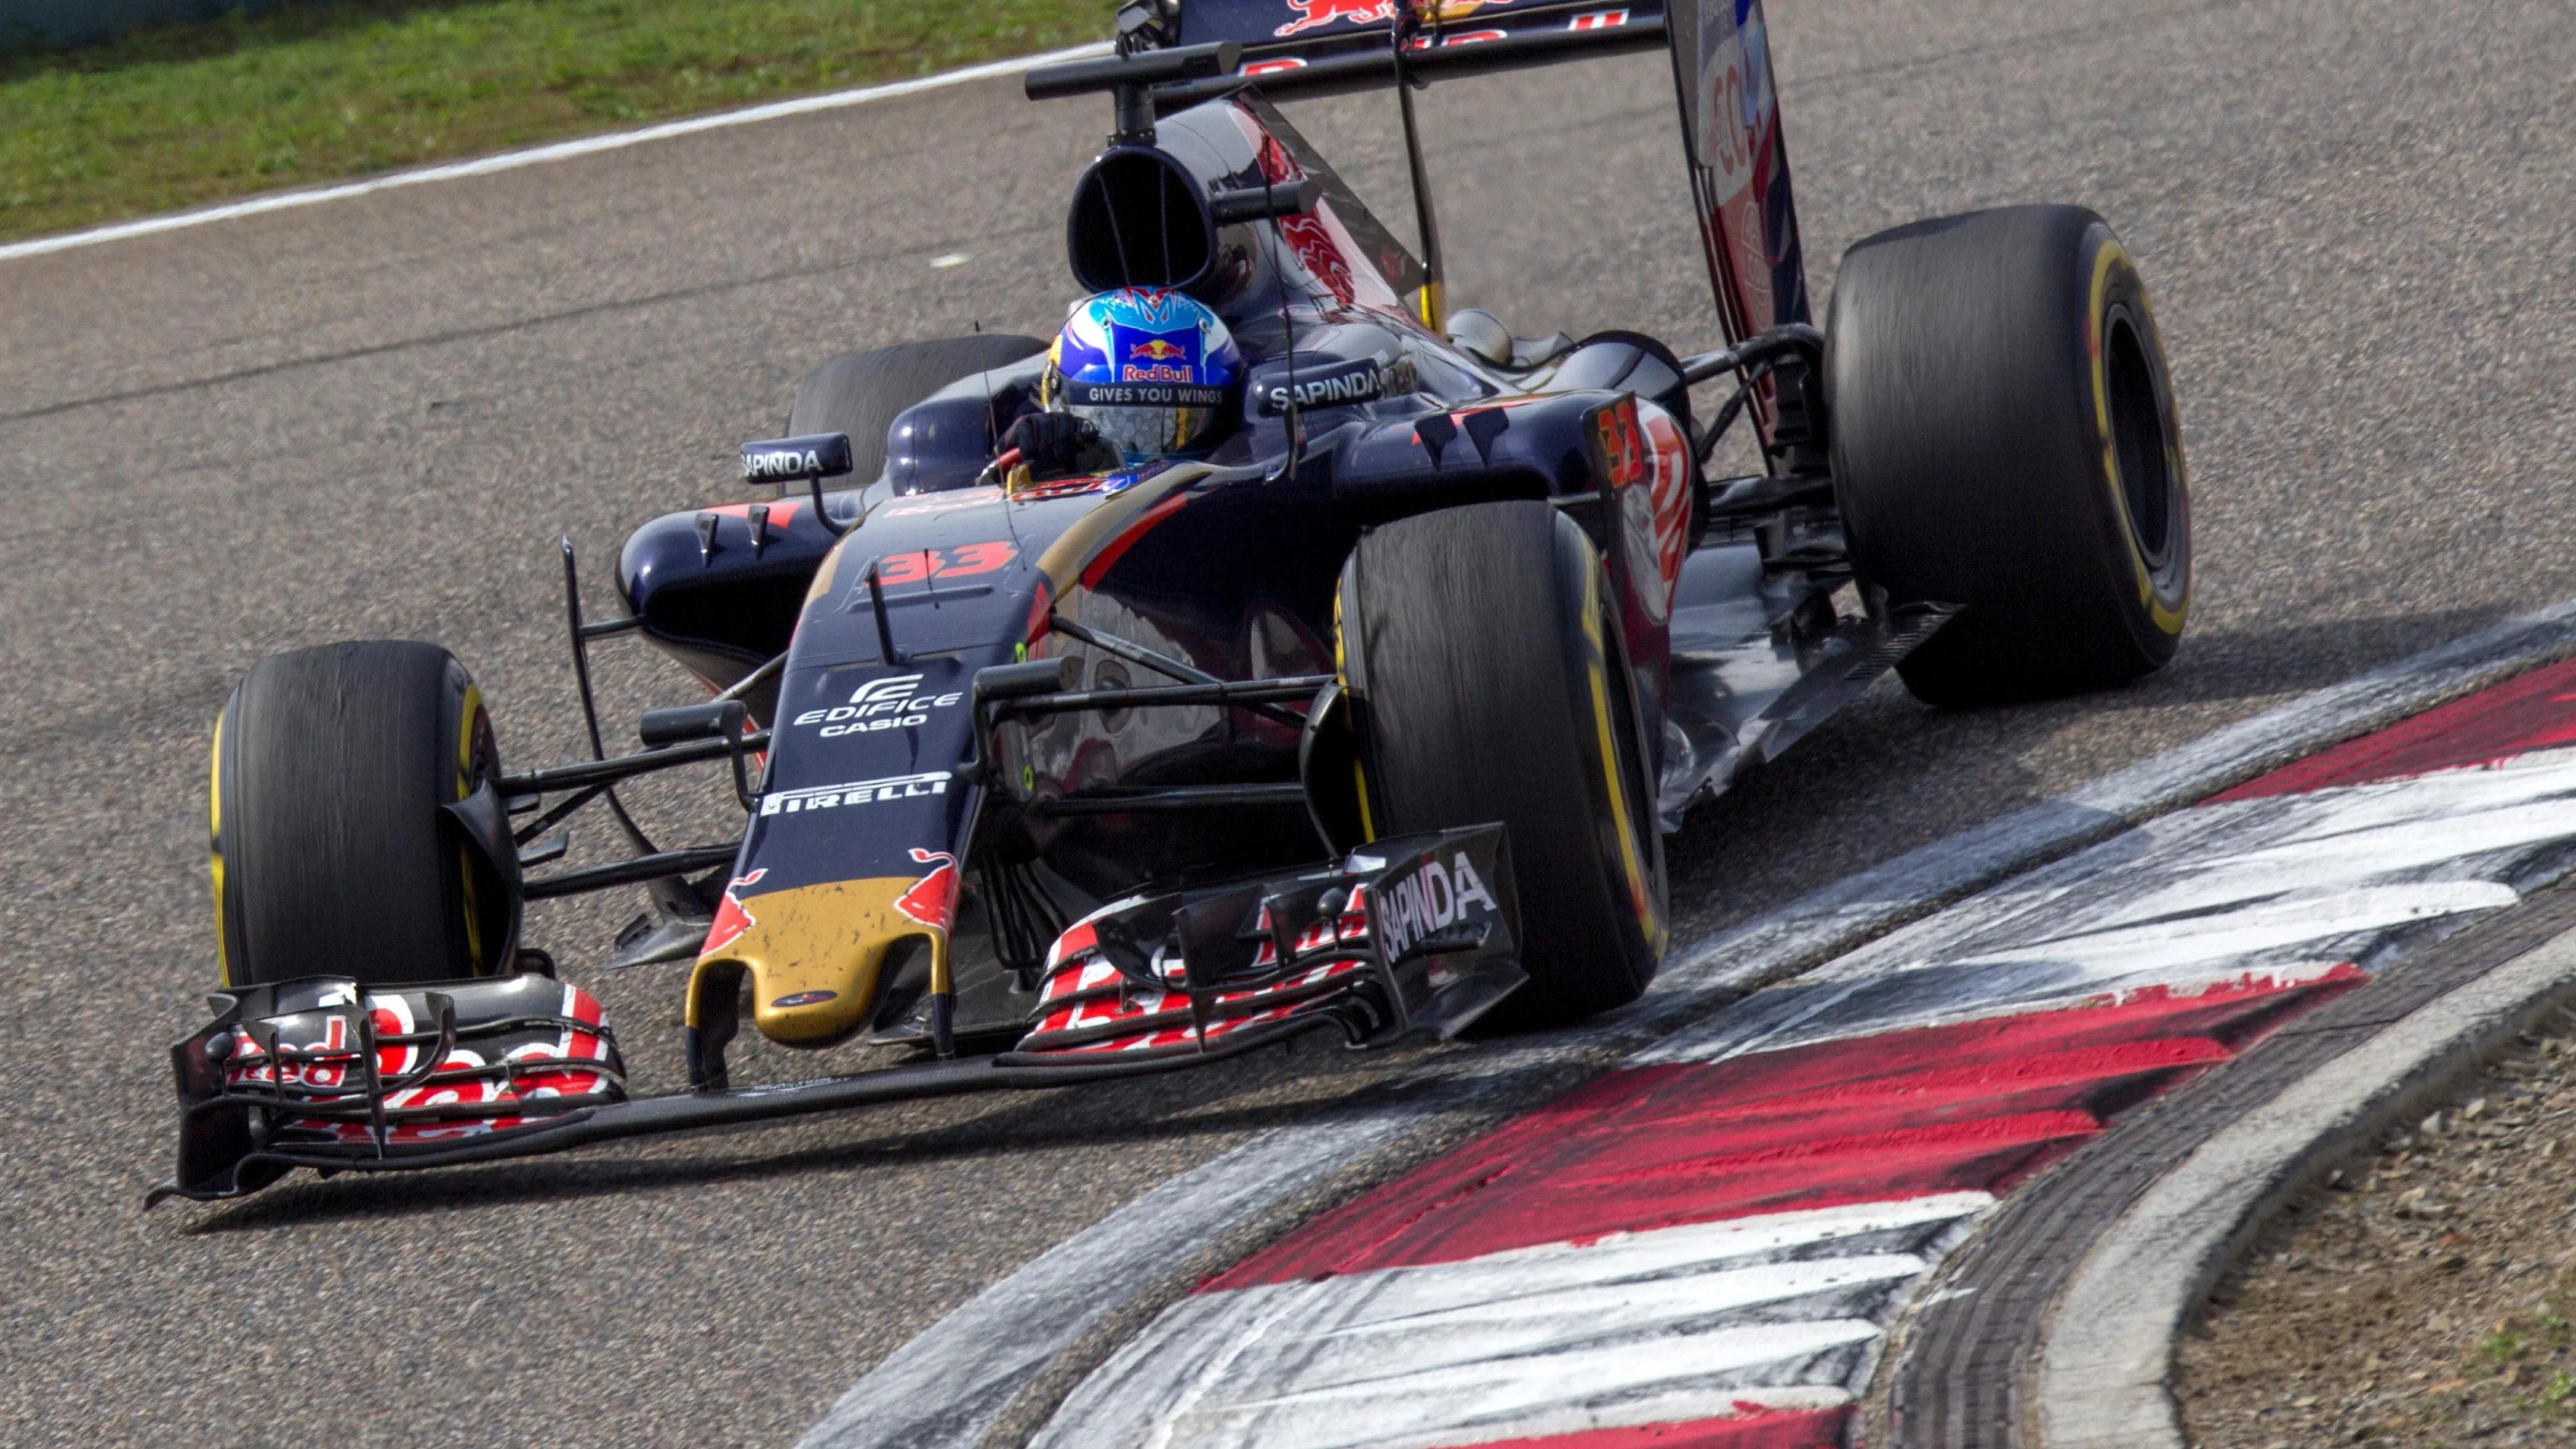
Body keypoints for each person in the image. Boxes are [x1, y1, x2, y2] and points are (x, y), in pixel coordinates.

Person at [987, 289, 1243, 487]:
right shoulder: (1029, 445)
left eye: (1186, 428)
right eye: (1124, 422)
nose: (1152, 466)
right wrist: (1011, 461)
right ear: (1055, 393)